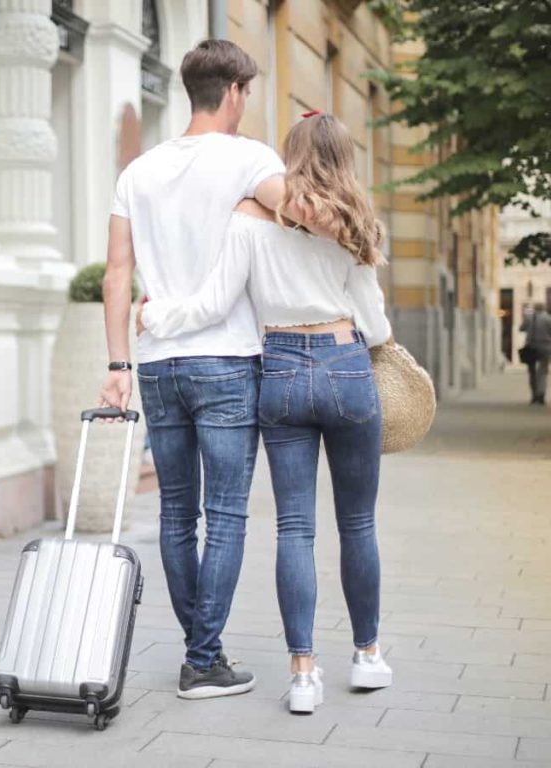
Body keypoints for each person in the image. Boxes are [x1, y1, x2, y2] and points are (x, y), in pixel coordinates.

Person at [140, 113, 394, 714]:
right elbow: (376, 322)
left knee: (294, 529)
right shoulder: (356, 224)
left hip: (278, 371)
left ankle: (303, 676)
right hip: (345, 362)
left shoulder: (250, 219)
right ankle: (367, 655)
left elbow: (214, 303)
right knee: (357, 523)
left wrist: (155, 317)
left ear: (288, 157)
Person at [98, 39, 295, 700]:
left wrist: (117, 364)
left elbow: (117, 273)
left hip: (156, 361)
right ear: (234, 90)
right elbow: (301, 213)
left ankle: (200, 649)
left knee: (177, 514)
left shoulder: (139, 171)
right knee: (228, 513)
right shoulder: (250, 160)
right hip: (229, 360)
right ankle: (203, 658)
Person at [520, 303, 551, 405]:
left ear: (534, 308)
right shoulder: (549, 319)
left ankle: (534, 395)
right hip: (545, 347)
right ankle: (541, 394)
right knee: (542, 372)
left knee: (532, 372)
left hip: (531, 347)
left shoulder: (529, 318)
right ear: (544, 308)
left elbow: (521, 328)